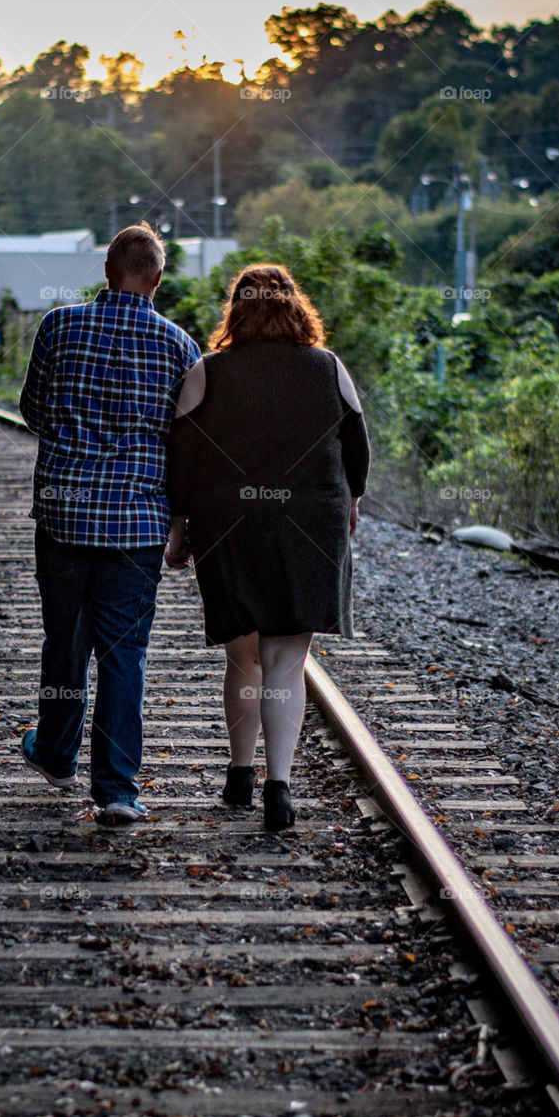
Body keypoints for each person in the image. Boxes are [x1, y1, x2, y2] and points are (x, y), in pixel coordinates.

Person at [166, 263, 370, 831]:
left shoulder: (207, 371)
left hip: (231, 524)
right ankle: (278, 787)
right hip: (310, 522)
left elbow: (181, 457)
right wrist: (351, 500)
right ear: (294, 306)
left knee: (244, 655)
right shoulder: (328, 367)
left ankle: (239, 774)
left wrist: (178, 528)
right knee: (287, 660)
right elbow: (356, 445)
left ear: (236, 310)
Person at [19, 223, 201, 825]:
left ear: (106, 272)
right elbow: (187, 443)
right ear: (156, 279)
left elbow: (33, 410)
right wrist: (183, 523)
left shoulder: (59, 326)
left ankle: (55, 755)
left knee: (65, 643)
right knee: (125, 656)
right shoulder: (179, 346)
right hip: (137, 526)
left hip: (66, 517)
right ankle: (118, 792)